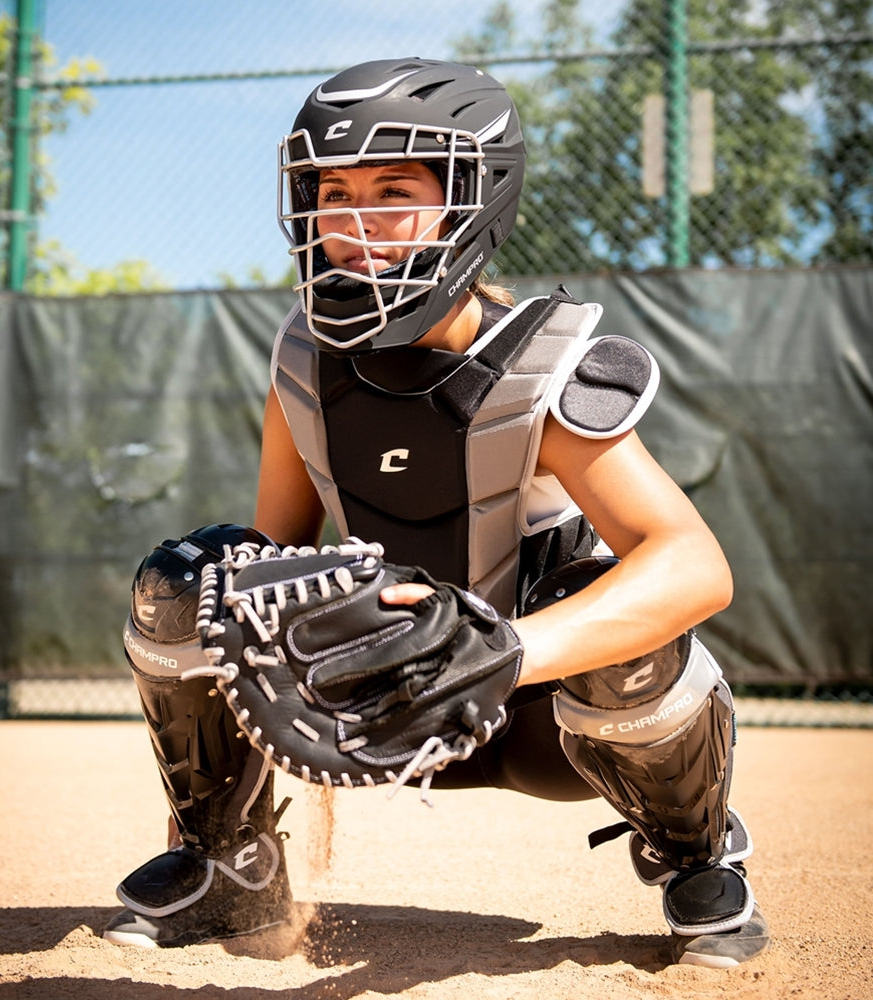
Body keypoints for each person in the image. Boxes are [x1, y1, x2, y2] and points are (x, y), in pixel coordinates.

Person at [104, 57, 770, 968]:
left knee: (621, 618)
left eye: (392, 191)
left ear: (472, 202)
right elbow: (273, 559)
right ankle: (230, 862)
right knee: (193, 581)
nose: (354, 223)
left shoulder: (542, 371)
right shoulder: (305, 365)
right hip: (383, 712)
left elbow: (694, 565)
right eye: (333, 194)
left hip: (547, 724)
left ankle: (695, 848)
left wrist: (501, 649)